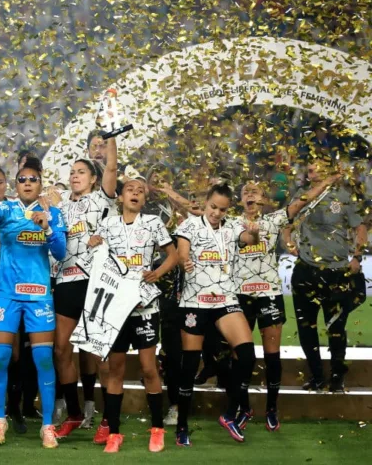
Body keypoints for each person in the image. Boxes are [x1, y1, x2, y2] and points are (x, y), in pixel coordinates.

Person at [234, 174, 340, 431]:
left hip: (269, 294)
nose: (251, 194)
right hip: (240, 295)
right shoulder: (231, 224)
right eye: (246, 191)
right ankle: (242, 407)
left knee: (272, 355)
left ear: (263, 199)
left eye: (255, 191)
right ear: (240, 200)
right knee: (241, 357)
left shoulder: (273, 220)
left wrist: (324, 183)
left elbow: (301, 202)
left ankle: (271, 409)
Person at [0, 156, 67, 448]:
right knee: (1, 357)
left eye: (33, 179)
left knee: (43, 359)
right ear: (15, 185)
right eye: (22, 179)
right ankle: (0, 420)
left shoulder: (53, 212)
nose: (27, 183)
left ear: (41, 183)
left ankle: (47, 426)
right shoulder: (6, 209)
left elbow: (61, 253)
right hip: (6, 295)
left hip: (39, 296)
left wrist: (48, 228)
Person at [87, 172, 178, 453]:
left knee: (149, 368)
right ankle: (114, 433)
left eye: (140, 189)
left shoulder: (152, 223)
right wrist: (93, 244)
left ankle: (157, 429)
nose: (135, 192)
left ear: (145, 198)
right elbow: (96, 258)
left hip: (144, 307)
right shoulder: (108, 224)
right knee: (115, 369)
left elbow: (174, 255)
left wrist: (157, 273)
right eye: (130, 189)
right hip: (116, 307)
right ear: (121, 196)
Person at [174, 182, 260, 447]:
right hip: (195, 300)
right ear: (206, 201)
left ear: (228, 209)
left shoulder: (232, 226)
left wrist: (255, 233)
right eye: (213, 207)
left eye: (222, 209)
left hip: (225, 299)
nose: (216, 213)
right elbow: (181, 252)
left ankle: (229, 414)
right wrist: (185, 261)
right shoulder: (189, 225)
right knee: (190, 366)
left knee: (247, 355)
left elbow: (249, 240)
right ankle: (181, 426)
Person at [52, 135, 117, 439]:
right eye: (72, 172)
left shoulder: (101, 199)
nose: (75, 176)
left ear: (93, 179)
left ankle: (108, 419)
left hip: (94, 281)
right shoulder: (61, 205)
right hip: (66, 281)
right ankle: (75, 414)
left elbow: (112, 170)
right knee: (61, 348)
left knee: (98, 352)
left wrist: (111, 142)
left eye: (81, 172)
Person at [283, 157, 366, 392]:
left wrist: (357, 256)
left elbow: (360, 227)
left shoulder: (343, 195)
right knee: (306, 327)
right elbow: (285, 223)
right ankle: (317, 376)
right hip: (306, 270)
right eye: (310, 170)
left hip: (336, 272)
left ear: (328, 170)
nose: (313, 173)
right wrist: (288, 242)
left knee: (336, 327)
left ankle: (337, 376)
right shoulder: (301, 195)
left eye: (318, 169)